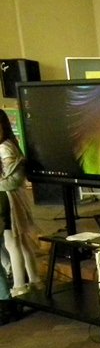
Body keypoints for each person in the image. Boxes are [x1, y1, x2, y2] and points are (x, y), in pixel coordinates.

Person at [0, 109, 41, 297]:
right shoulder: (8, 145)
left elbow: (14, 180)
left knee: (13, 243)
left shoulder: (5, 148)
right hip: (11, 199)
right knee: (21, 243)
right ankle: (34, 280)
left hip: (9, 201)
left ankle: (19, 285)